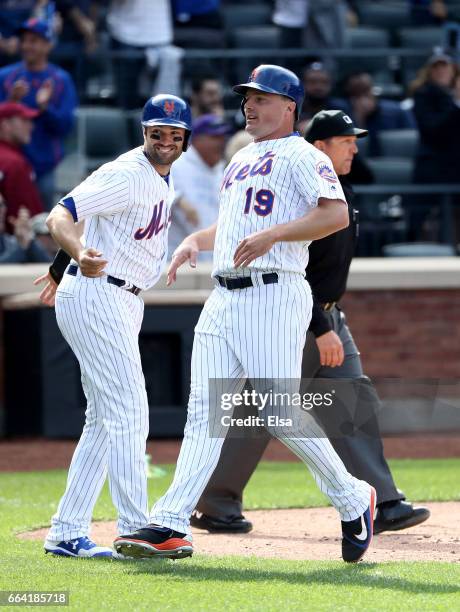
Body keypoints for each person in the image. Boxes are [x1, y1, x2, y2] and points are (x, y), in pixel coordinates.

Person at [113, 65, 377, 564]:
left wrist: (276, 235)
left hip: (274, 292)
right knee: (203, 413)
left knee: (279, 409)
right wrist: (196, 239)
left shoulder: (302, 154)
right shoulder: (243, 155)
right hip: (225, 296)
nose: (250, 106)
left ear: (290, 107)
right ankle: (170, 523)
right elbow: (236, 225)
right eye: (248, 98)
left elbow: (335, 213)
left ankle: (351, 497)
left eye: (262, 98)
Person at [189, 108, 431, 537]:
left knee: (351, 402)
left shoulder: (340, 192)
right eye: (345, 140)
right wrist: (321, 328)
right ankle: (216, 503)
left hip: (330, 314)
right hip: (298, 317)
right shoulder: (304, 199)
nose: (354, 147)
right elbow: (300, 272)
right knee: (261, 413)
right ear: (319, 147)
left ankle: (384, 501)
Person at [33, 94, 192, 558]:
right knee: (129, 409)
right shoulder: (126, 173)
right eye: (156, 132)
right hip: (99, 294)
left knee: (104, 420)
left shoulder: (163, 177)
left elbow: (102, 221)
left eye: (173, 134)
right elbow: (60, 214)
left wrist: (65, 263)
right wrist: (77, 254)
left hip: (119, 297)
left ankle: (66, 531)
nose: (164, 141)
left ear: (184, 139)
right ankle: (136, 526)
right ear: (143, 132)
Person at [0, 17, 77, 210]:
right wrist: (11, 101)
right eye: (24, 40)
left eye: (34, 41)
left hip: (44, 166)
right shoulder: (5, 76)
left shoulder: (60, 80)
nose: (27, 46)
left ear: (48, 45)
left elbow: (65, 127)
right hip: (8, 164)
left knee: (42, 223)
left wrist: (45, 108)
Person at [410, 50, 460, 241]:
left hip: (456, 169)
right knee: (425, 220)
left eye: (444, 66)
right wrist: (456, 103)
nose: (440, 70)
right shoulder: (423, 95)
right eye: (435, 66)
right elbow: (432, 130)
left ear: (453, 69)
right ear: (429, 71)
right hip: (432, 169)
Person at [169, 113, 231, 258]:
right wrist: (178, 199)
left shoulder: (224, 170)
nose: (221, 143)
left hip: (213, 260)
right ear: (196, 140)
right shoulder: (175, 164)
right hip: (177, 260)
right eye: (215, 137)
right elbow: (149, 192)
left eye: (223, 137)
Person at [342, 72, 416, 156]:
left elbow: (411, 138)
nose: (363, 99)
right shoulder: (341, 111)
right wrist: (359, 118)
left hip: (393, 157)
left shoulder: (396, 110)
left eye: (366, 90)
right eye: (357, 93)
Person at [0, 101, 44, 232]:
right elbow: (30, 217)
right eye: (24, 121)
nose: (31, 126)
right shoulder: (14, 163)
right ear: (5, 125)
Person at [0, 199, 50, 263]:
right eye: (48, 235)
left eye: (2, 205)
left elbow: (48, 266)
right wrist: (21, 247)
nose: (1, 210)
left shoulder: (9, 241)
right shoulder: (16, 244)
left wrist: (28, 239)